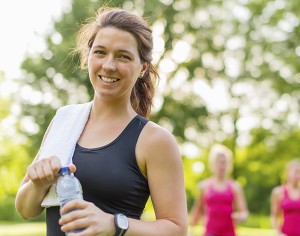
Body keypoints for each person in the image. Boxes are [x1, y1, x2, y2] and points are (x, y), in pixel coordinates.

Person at [15, 7, 188, 236]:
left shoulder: (155, 140)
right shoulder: (64, 121)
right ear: (88, 57)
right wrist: (39, 183)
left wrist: (114, 224)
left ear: (142, 68)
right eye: (100, 52)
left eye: (123, 56)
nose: (109, 65)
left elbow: (176, 229)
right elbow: (26, 210)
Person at [190, 144, 248, 236]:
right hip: (210, 232)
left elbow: (244, 212)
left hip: (229, 233)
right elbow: (197, 210)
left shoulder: (235, 187)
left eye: (224, 162)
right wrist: (191, 229)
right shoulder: (204, 186)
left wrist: (241, 216)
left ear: (228, 164)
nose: (221, 166)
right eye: (218, 162)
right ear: (212, 164)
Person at [270, 158, 300, 236]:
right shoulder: (278, 192)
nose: (298, 175)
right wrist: (278, 233)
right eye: (296, 171)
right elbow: (274, 216)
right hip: (285, 233)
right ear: (287, 172)